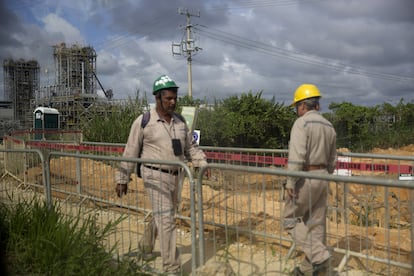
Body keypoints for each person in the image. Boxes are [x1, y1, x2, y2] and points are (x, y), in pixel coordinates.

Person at [115, 74, 208, 275]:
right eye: (168, 98)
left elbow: (191, 148)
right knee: (167, 220)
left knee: (163, 216)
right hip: (154, 176)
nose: (173, 101)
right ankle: (172, 269)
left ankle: (145, 246)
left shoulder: (181, 122)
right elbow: (130, 150)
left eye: (175, 97)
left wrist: (202, 163)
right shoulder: (144, 121)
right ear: (158, 98)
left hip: (177, 176)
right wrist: (122, 178)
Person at [283, 84, 337, 275]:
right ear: (317, 105)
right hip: (322, 176)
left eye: (297, 107)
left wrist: (290, 181)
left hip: (305, 177)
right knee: (315, 223)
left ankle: (320, 257)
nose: (297, 111)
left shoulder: (302, 123)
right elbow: (332, 159)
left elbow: (297, 155)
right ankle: (308, 270)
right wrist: (325, 175)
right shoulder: (329, 125)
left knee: (289, 220)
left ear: (303, 106)